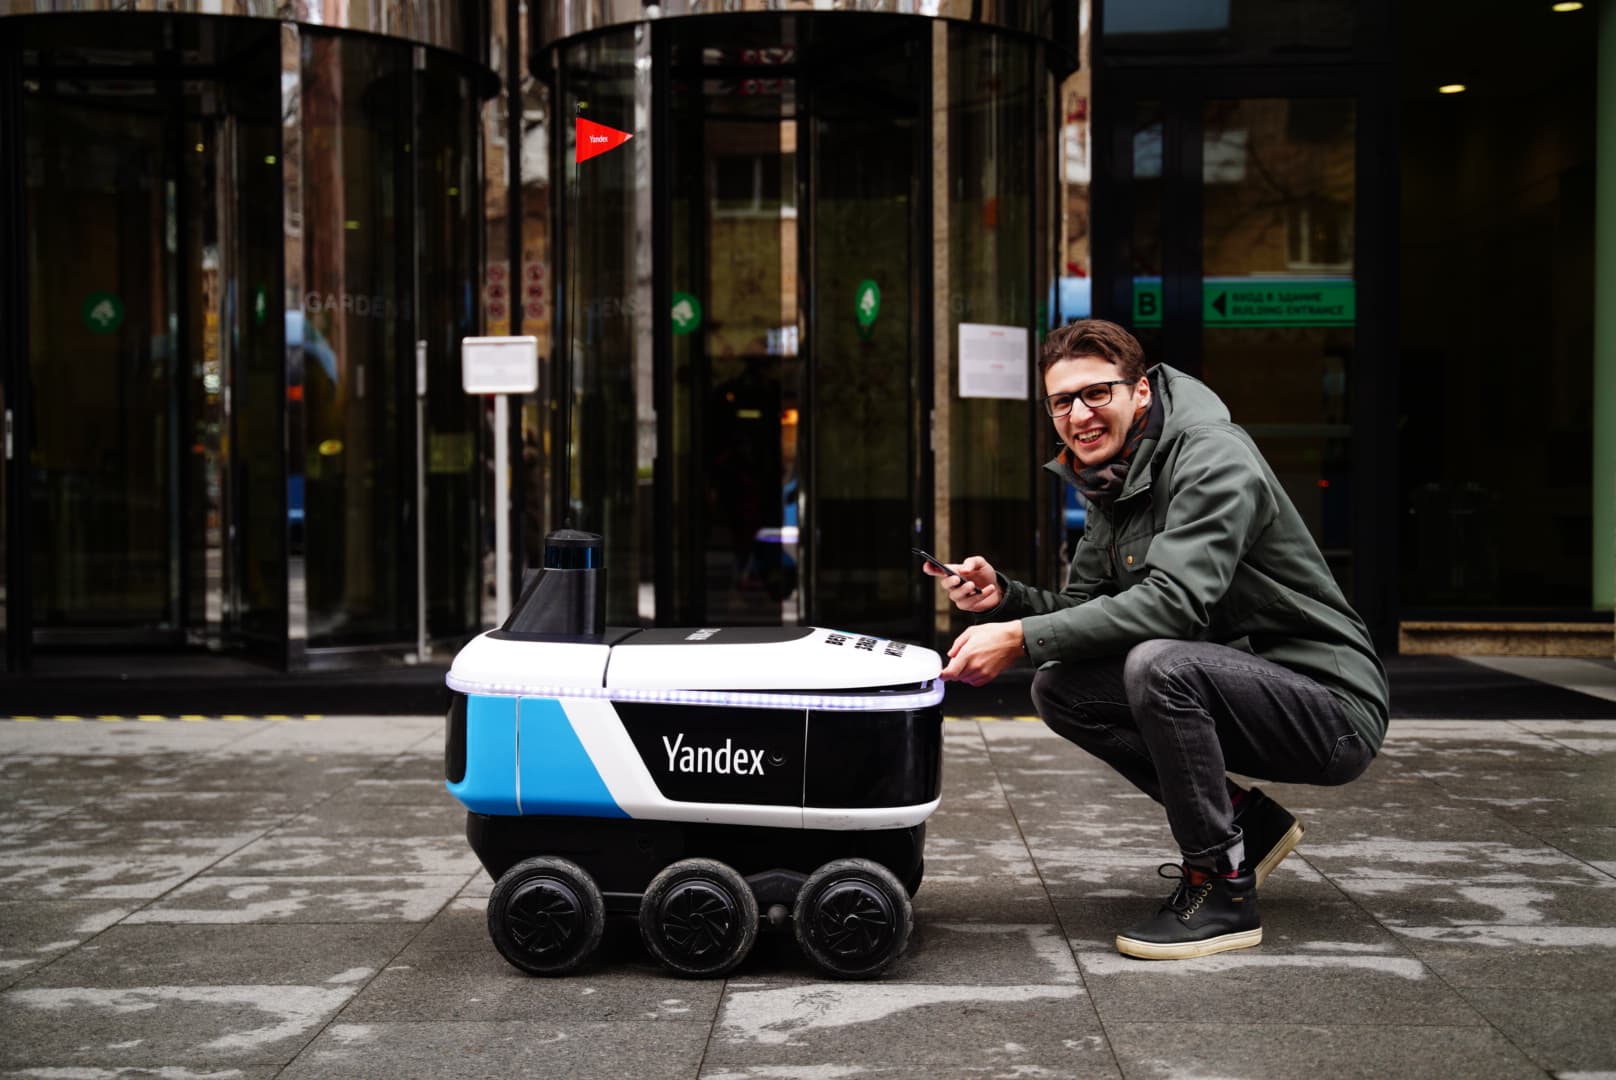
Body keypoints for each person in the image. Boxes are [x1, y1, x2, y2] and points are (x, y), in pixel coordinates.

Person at [923, 318, 1388, 961]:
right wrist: (1007, 597)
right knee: (1061, 686)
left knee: (1159, 666)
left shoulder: (1211, 455)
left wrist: (1020, 634)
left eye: (1096, 394)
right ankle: (1247, 827)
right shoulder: (1117, 474)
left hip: (1331, 709)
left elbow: (1173, 604)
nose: (1078, 415)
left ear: (1140, 392)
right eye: (1062, 402)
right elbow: (1089, 612)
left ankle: (1222, 889)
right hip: (1237, 678)